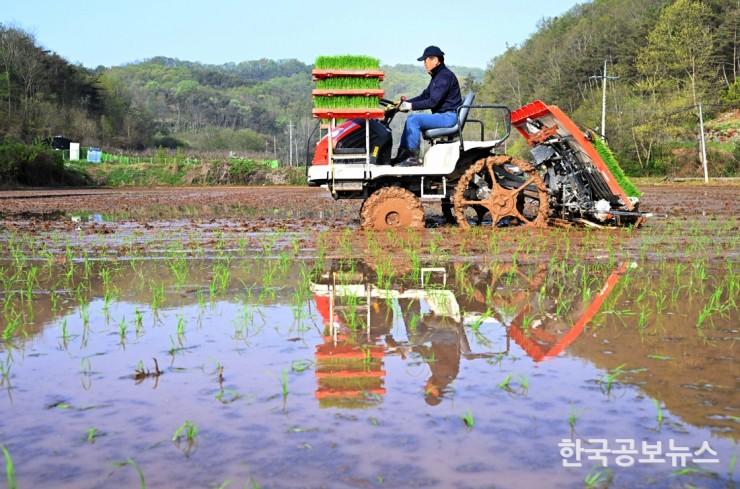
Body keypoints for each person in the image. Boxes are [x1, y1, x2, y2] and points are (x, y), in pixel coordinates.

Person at [393, 46, 463, 167]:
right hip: (443, 116)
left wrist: (410, 106)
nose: (424, 64)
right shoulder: (438, 76)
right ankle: (403, 156)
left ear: (435, 60)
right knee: (410, 119)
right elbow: (424, 96)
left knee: (414, 119)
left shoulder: (444, 77)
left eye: (426, 60)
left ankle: (413, 158)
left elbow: (432, 102)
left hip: (448, 117)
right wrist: (404, 104)